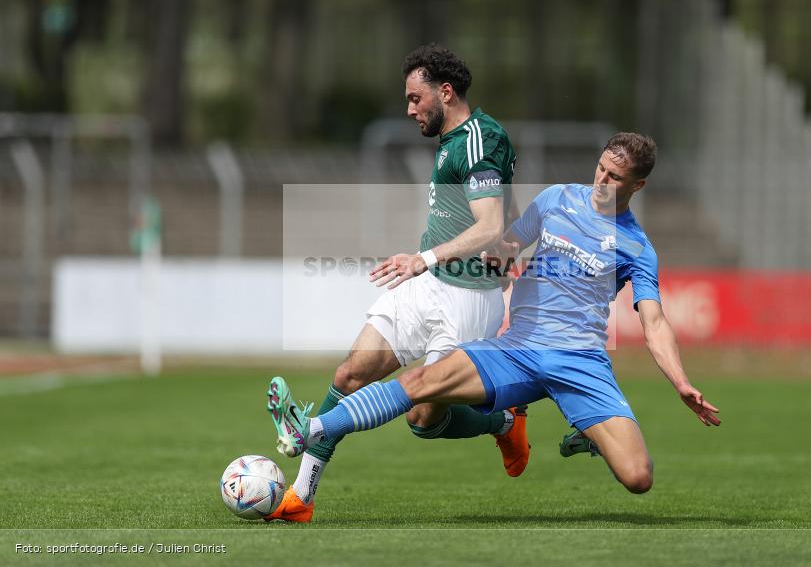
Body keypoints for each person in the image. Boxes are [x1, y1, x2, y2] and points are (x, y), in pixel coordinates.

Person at [272, 132, 721, 500]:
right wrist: (494, 253)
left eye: (615, 177)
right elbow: (507, 245)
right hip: (517, 348)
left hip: (580, 361)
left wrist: (681, 382)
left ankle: (594, 434)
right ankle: (310, 427)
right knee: (419, 389)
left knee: (638, 478)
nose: (601, 180)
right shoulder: (555, 199)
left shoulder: (638, 248)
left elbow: (654, 321)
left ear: (637, 186)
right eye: (601, 167)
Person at [265, 44, 526, 523]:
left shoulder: (477, 139)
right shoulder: (457, 141)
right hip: (425, 287)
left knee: (422, 420)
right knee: (349, 374)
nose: (409, 110)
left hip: (467, 301)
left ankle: (504, 421)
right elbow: (499, 216)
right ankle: (301, 497)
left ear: (445, 92)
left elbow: (488, 224)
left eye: (414, 98)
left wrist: (425, 258)